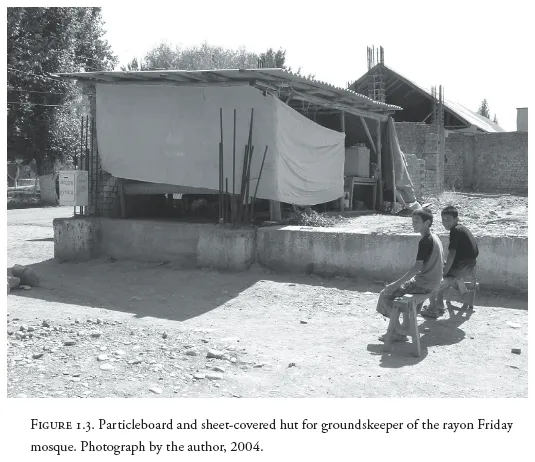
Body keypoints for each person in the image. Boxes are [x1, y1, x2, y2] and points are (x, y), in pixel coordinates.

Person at [377, 208, 444, 342]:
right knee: (403, 292)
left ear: (427, 223)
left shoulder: (425, 241)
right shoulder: (435, 237)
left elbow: (416, 268)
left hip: (424, 284)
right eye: (412, 220)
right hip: (433, 283)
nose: (413, 223)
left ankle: (398, 331)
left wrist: (395, 284)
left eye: (417, 221)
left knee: (385, 295)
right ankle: (403, 328)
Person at [421, 205, 479, 317]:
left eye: (448, 219)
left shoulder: (455, 231)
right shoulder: (462, 228)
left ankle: (433, 309)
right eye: (443, 219)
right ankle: (440, 304)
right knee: (441, 267)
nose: (445, 222)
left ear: (456, 219)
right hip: (471, 266)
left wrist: (444, 272)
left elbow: (452, 254)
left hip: (462, 268)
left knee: (431, 279)